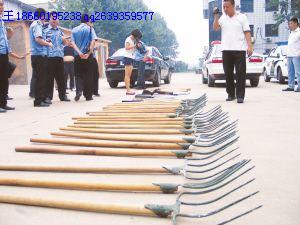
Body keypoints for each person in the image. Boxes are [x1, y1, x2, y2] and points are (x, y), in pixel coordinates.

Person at [213, 0, 253, 104]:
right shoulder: (222, 18)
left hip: (239, 50)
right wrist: (216, 16)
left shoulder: (242, 17)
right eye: (224, 7)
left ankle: (240, 96)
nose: (225, 9)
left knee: (240, 73)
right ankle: (231, 94)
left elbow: (247, 32)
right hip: (226, 50)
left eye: (227, 7)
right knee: (228, 74)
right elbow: (216, 28)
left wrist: (250, 46)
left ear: (233, 6)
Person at [29, 8, 54, 107]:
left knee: (42, 78)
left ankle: (42, 99)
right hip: (38, 56)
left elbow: (40, 39)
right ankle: (38, 101)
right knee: (40, 79)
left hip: (39, 55)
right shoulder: (37, 25)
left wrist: (45, 40)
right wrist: (48, 44)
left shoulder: (37, 25)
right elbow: (38, 39)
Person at [44, 12, 70, 103]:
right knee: (49, 78)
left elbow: (65, 43)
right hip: (49, 57)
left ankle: (63, 96)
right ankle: (48, 97)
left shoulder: (60, 31)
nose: (54, 19)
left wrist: (65, 40)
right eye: (52, 18)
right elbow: (43, 43)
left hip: (59, 57)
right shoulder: (45, 31)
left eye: (56, 18)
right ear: (50, 19)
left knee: (61, 78)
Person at [71, 14, 97, 101]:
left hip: (77, 56)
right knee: (88, 75)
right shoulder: (90, 29)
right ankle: (88, 96)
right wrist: (89, 53)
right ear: (87, 20)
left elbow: (73, 43)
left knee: (78, 75)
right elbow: (93, 41)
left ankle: (78, 91)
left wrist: (79, 53)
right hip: (87, 56)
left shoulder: (74, 30)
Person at [0, 0, 15, 112]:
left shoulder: (1, 21)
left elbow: (4, 39)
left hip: (4, 53)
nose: (2, 7)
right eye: (0, 5)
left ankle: (3, 103)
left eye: (2, 5)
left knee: (4, 79)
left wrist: (8, 50)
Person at [282, 17, 300, 92]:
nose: (290, 25)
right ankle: (291, 86)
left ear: (296, 23)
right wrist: (287, 54)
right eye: (289, 24)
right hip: (290, 55)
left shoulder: (299, 32)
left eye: (291, 23)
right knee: (290, 72)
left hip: (296, 55)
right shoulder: (291, 33)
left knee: (298, 72)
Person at [124, 29, 142, 95]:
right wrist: (135, 46)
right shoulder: (128, 39)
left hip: (131, 57)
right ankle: (128, 90)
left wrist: (137, 46)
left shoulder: (132, 40)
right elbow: (126, 47)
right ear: (135, 35)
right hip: (128, 58)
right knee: (127, 75)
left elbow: (132, 48)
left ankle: (129, 90)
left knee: (129, 75)